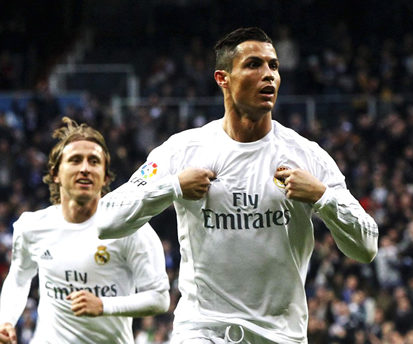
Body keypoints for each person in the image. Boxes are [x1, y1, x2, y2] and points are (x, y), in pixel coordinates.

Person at [96, 27, 378, 344]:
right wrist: (173, 186)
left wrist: (323, 197)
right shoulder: (182, 151)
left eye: (273, 65)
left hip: (279, 336)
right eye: (254, 65)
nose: (268, 75)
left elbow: (367, 247)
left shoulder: (306, 156)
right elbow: (105, 222)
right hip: (202, 332)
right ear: (223, 79)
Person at [0, 117, 170, 344]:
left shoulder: (131, 229)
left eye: (94, 161)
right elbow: (19, 279)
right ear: (55, 174)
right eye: (75, 160)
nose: (85, 168)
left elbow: (159, 298)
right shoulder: (32, 226)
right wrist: (6, 320)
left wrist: (102, 306)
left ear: (105, 177)